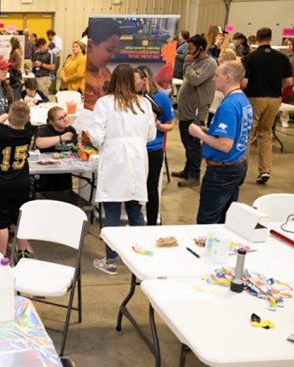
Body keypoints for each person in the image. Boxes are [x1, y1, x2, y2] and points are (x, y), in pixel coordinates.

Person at [89, 64, 156, 275]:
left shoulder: (105, 103)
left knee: (112, 211)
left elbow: (96, 136)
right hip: (137, 159)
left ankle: (111, 260)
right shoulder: (144, 103)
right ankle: (141, 259)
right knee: (135, 210)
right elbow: (151, 135)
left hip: (114, 159)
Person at [190, 62, 253, 224]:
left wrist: (199, 134)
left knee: (207, 219)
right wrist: (210, 131)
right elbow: (236, 132)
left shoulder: (228, 106)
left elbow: (225, 145)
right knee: (224, 218)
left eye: (217, 75)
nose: (213, 79)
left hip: (222, 170)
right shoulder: (243, 100)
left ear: (228, 78)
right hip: (237, 164)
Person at [241, 28, 292, 185]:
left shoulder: (250, 58)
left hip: (254, 98)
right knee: (266, 132)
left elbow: (245, 82)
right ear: (270, 38)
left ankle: (241, 169)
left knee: (247, 133)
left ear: (257, 39)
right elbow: (289, 81)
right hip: (275, 99)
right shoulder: (282, 58)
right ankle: (265, 170)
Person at [0, 101, 35, 259]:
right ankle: (23, 251)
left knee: (0, 223)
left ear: (10, 116)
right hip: (21, 182)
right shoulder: (29, 130)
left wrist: (5, 115)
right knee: (20, 218)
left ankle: (0, 257)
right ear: (28, 118)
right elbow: (24, 120)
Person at [173, 35, 217, 188]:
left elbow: (195, 80)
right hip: (186, 111)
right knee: (187, 142)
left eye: (191, 49)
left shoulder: (209, 63)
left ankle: (194, 175)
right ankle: (188, 169)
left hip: (196, 112)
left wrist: (186, 63)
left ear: (201, 48)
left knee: (193, 144)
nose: (188, 52)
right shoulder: (195, 62)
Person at [137, 65, 174, 226]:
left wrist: (157, 125)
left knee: (151, 188)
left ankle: (152, 224)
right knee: (134, 188)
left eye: (135, 80)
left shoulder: (161, 98)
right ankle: (136, 221)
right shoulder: (131, 98)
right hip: (135, 149)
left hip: (153, 149)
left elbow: (170, 125)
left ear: (145, 80)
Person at [33, 106, 77, 191]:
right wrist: (61, 138)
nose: (65, 119)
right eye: (60, 118)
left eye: (65, 115)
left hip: (65, 173)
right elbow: (39, 143)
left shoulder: (71, 129)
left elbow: (73, 147)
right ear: (52, 122)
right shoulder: (45, 129)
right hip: (47, 175)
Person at [84, 19, 119, 110]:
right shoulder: (86, 79)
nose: (112, 56)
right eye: (109, 50)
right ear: (90, 45)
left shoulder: (105, 70)